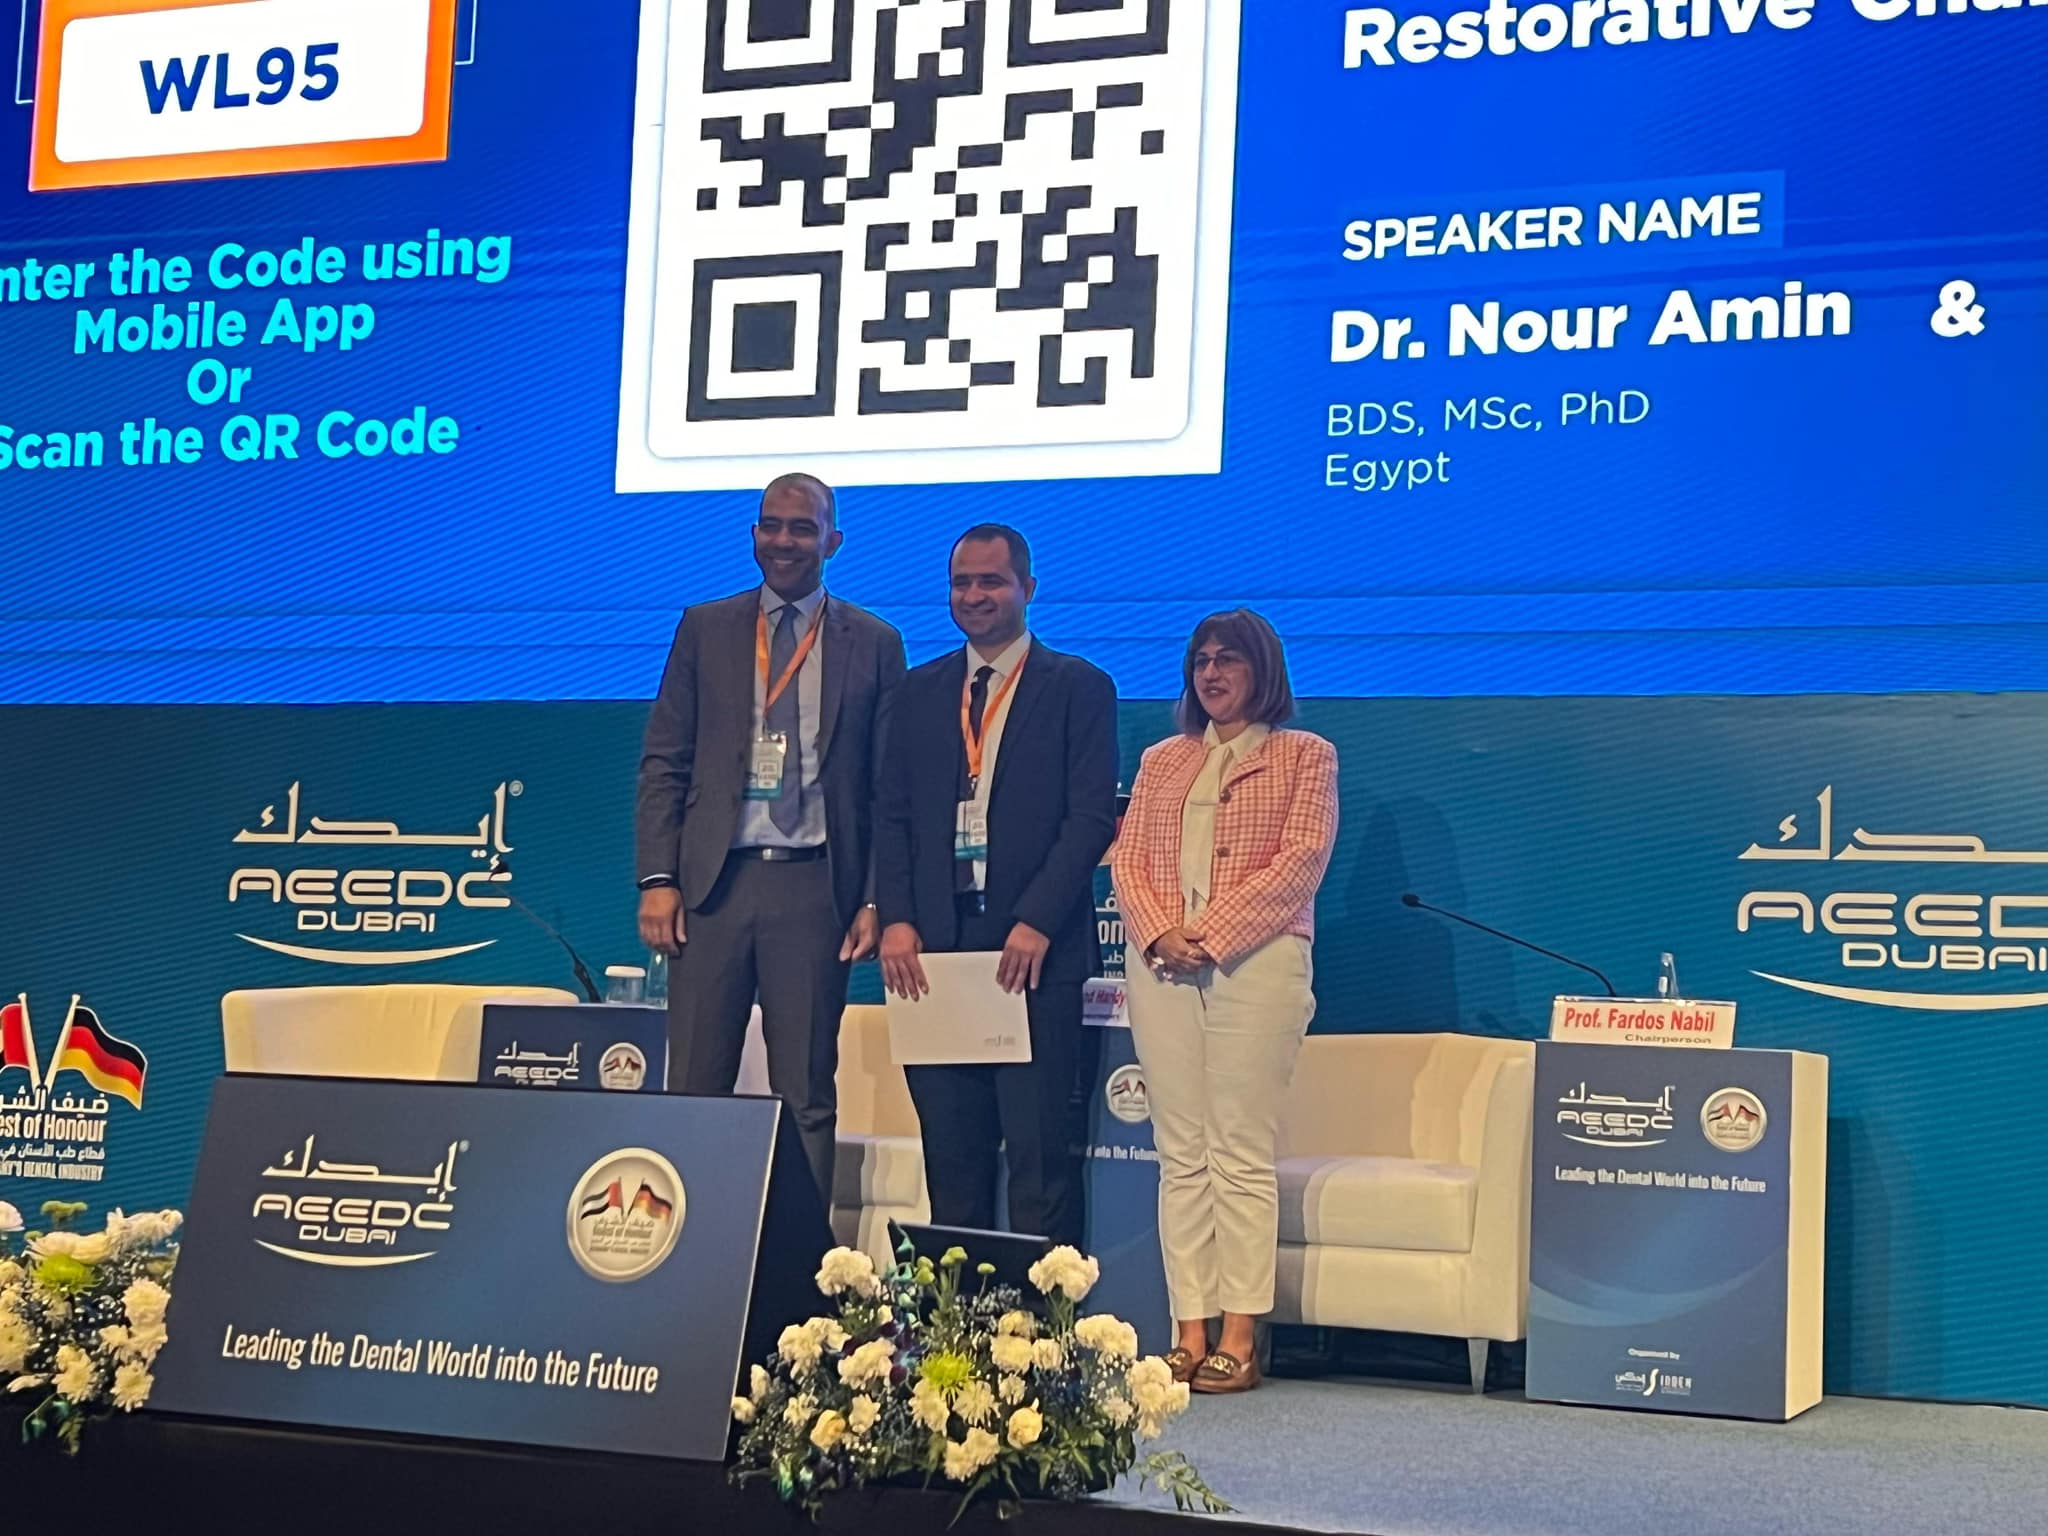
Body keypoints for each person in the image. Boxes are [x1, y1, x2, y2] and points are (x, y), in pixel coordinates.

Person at [635, 473, 907, 1205]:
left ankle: (802, 1263)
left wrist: (874, 898)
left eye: (802, 528)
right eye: (772, 525)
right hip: (712, 888)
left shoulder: (875, 643)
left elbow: (887, 789)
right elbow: (665, 760)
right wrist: (658, 878)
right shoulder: (705, 628)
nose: (784, 541)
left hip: (815, 887)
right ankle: (688, 1250)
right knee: (694, 1086)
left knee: (807, 1092)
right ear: (754, 534)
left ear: (832, 541)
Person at [1111, 609, 1338, 1395]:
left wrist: (1206, 935)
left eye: (1228, 660)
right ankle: (1189, 1330)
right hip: (1161, 964)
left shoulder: (1306, 756)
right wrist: (1158, 934)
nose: (1211, 674)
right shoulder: (1162, 760)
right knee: (1181, 1153)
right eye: (1201, 661)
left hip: (1258, 964)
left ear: (1262, 670)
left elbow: (1300, 862)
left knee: (1237, 1149)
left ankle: (1240, 1335)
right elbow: (1129, 862)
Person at [875, 524, 1118, 1249]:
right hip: (933, 953)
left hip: (1033, 952)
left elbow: (1090, 818)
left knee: (1041, 1164)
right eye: (962, 583)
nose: (974, 596)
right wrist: (896, 918)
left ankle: (1041, 1320)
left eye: (991, 581)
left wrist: (1038, 918)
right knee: (952, 1162)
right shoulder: (918, 692)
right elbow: (891, 815)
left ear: (1027, 589)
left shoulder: (1078, 686)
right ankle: (957, 1317)